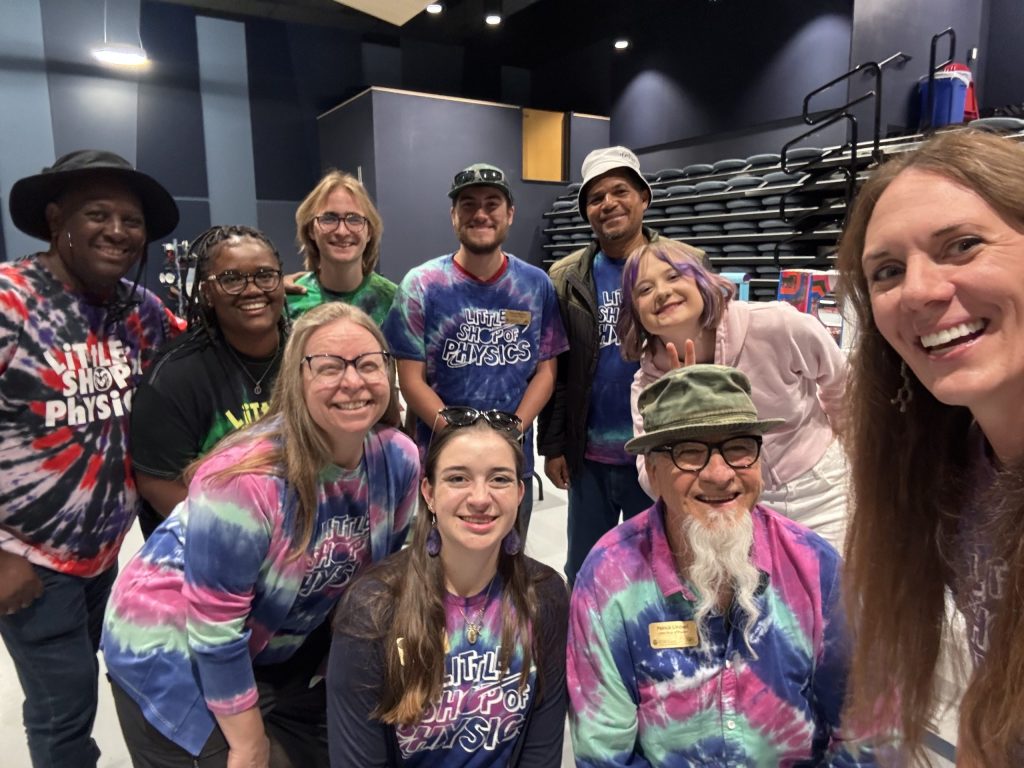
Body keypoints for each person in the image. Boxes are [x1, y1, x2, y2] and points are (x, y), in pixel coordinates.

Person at [101, 302, 419, 767]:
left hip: (273, 645)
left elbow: (382, 582)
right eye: (329, 366)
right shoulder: (244, 480)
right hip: (171, 645)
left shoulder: (397, 460)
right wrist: (249, 743)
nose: (352, 382)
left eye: (367, 364)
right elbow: (213, 629)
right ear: (296, 379)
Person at [568, 365, 877, 767]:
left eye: (738, 447)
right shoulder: (609, 579)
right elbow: (603, 753)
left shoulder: (816, 568)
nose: (719, 474)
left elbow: (863, 729)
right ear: (653, 472)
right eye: (689, 452)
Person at [836, 128, 1024, 765]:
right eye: (887, 271)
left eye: (962, 245)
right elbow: (994, 686)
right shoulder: (957, 472)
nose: (917, 291)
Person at [0, 149, 181, 768]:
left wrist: (267, 293)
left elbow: (200, 346)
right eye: (97, 214)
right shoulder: (11, 301)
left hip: (107, 555)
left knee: (115, 679)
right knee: (64, 712)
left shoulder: (138, 309)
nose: (118, 231)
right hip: (29, 561)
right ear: (57, 221)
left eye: (131, 220)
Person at [327, 410, 569, 766]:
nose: (480, 498)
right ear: (429, 492)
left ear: (520, 493)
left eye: (499, 479)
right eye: (458, 478)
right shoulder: (373, 606)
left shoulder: (545, 595)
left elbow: (540, 751)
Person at [619, 238, 849, 550]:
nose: (661, 291)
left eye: (674, 276)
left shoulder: (775, 323)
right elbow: (651, 477)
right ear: (636, 312)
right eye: (644, 289)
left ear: (702, 281)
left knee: (833, 590)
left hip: (818, 491)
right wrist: (677, 416)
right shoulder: (648, 385)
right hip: (727, 505)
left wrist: (845, 450)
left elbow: (841, 385)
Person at [383, 163, 568, 537]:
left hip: (510, 464)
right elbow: (410, 378)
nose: (480, 214)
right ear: (453, 215)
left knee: (508, 567)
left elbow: (546, 372)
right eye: (468, 205)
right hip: (442, 462)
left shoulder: (536, 285)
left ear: (509, 214)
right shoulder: (422, 285)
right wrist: (458, 434)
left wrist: (513, 429)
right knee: (436, 572)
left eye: (492, 203)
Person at [538, 146, 662, 584]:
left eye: (620, 191)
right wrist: (553, 446)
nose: (608, 203)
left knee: (658, 569)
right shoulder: (565, 277)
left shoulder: (681, 266)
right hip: (589, 457)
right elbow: (557, 369)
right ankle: (583, 648)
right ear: (586, 212)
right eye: (596, 198)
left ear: (643, 197)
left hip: (658, 453)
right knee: (586, 569)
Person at [131, 224, 289, 537]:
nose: (252, 289)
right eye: (231, 279)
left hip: (297, 537)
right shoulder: (175, 376)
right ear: (206, 292)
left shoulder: (307, 355)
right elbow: (157, 482)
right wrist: (238, 536)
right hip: (209, 546)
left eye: (265, 275)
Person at [288, 170, 396, 326]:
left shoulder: (394, 301)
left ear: (369, 232)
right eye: (329, 219)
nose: (342, 231)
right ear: (311, 229)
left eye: (354, 219)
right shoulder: (290, 300)